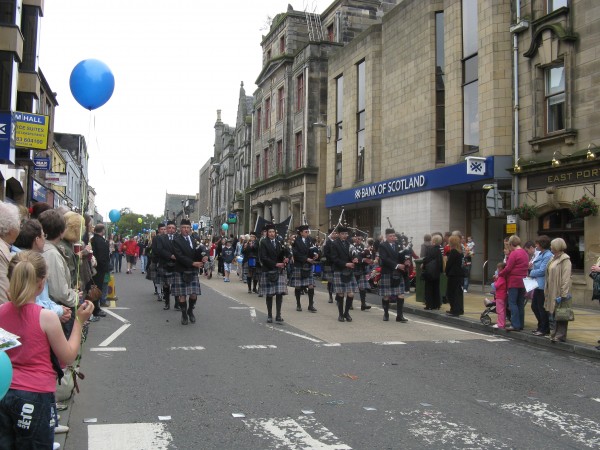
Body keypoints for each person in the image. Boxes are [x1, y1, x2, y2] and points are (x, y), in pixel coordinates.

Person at [0, 251, 93, 449]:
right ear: (42, 283)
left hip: (4, 389)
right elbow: (68, 356)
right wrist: (79, 322)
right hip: (35, 394)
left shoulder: (1, 312)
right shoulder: (47, 317)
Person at [38, 209, 80, 338]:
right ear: (62, 232)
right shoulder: (52, 254)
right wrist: (76, 297)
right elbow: (59, 291)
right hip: (58, 311)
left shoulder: (46, 249)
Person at [171, 219, 208, 325]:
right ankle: (183, 315)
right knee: (182, 295)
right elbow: (179, 256)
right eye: (183, 227)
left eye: (187, 227)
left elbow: (199, 249)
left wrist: (204, 255)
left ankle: (190, 311)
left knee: (193, 294)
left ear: (190, 229)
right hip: (181, 269)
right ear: (180, 229)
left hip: (192, 270)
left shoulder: (193, 239)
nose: (186, 229)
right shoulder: (176, 240)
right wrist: (193, 263)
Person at [258, 224, 290, 323]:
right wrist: (276, 264)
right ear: (267, 233)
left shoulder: (279, 242)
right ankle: (269, 315)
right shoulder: (263, 242)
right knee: (270, 294)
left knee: (279, 294)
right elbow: (264, 257)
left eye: (273, 232)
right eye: (270, 232)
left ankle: (278, 315)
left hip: (279, 270)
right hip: (269, 269)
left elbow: (285, 252)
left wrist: (286, 257)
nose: (272, 234)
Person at [328, 226, 359, 322]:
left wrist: (355, 259)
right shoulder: (334, 244)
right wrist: (345, 264)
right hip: (339, 270)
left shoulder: (349, 243)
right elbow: (334, 258)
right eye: (343, 234)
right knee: (340, 294)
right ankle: (341, 314)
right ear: (339, 234)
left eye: (346, 234)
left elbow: (353, 254)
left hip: (349, 271)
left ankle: (347, 313)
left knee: (350, 294)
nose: (345, 236)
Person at [499, 235, 529, 332]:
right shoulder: (525, 253)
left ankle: (515, 324)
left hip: (514, 281)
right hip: (523, 281)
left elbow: (508, 268)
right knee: (520, 303)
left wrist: (500, 274)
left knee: (512, 303)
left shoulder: (514, 254)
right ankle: (521, 324)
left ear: (511, 244)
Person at [544, 238, 572, 343]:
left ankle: (561, 335)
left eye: (552, 245)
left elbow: (566, 278)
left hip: (560, 291)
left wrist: (563, 293)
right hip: (551, 289)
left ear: (557, 246)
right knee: (553, 312)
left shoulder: (565, 259)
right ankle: (554, 333)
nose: (550, 247)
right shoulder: (553, 258)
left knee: (562, 313)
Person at [378, 228, 408, 322]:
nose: (393, 237)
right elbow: (384, 259)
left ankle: (399, 316)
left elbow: (402, 256)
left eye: (394, 236)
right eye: (390, 236)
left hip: (398, 273)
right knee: (386, 295)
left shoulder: (398, 245)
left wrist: (406, 260)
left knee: (401, 294)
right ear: (386, 236)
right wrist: (397, 265)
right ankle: (386, 313)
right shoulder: (383, 245)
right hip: (387, 272)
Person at [290, 225, 319, 313]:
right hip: (299, 265)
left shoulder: (310, 240)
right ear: (301, 232)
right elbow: (295, 253)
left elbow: (314, 249)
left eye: (308, 231)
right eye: (306, 232)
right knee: (298, 286)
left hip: (308, 266)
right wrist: (306, 259)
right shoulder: (296, 241)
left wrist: (316, 255)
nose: (307, 233)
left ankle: (311, 305)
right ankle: (298, 304)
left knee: (311, 285)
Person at [529, 235, 552, 336]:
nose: (536, 245)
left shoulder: (547, 255)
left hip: (542, 285)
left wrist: (531, 272)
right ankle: (540, 326)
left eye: (537, 243)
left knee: (541, 307)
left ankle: (544, 328)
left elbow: (542, 271)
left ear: (542, 244)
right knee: (535, 306)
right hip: (537, 284)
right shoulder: (541, 254)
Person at [0, 201, 21, 304]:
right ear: (10, 229)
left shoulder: (5, 249)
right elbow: (3, 293)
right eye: (18, 226)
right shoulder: (1, 253)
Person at [155, 221, 177, 310]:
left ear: (175, 229)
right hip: (165, 263)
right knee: (166, 284)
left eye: (173, 228)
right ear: (166, 229)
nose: (171, 229)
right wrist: (170, 256)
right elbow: (160, 250)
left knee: (176, 285)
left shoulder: (178, 238)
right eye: (169, 228)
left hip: (176, 264)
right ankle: (167, 303)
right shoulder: (161, 238)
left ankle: (177, 303)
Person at [90, 223, 110, 318]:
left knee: (93, 287)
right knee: (98, 289)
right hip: (99, 268)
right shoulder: (101, 242)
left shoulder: (92, 239)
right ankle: (96, 309)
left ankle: (94, 307)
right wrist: (106, 267)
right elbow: (102, 257)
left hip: (93, 267)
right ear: (102, 231)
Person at [351, 232, 373, 311]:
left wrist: (369, 259)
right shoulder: (351, 246)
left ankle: (363, 304)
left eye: (359, 239)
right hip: (353, 269)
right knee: (352, 288)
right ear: (354, 238)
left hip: (361, 269)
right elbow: (353, 257)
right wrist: (363, 259)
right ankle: (350, 304)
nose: (358, 240)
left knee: (362, 288)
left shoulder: (364, 247)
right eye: (356, 238)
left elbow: (368, 257)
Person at [421, 234, 443, 310]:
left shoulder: (430, 249)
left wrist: (423, 265)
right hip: (437, 272)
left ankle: (429, 305)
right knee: (436, 288)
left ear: (433, 241)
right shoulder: (440, 250)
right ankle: (437, 304)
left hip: (430, 272)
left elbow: (426, 259)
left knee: (429, 288)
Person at [445, 235, 464, 316]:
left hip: (453, 274)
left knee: (452, 293)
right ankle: (459, 309)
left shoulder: (453, 252)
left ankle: (454, 310)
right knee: (458, 292)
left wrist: (446, 271)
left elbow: (449, 264)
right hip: (459, 274)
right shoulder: (459, 251)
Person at [322, 228, 338, 303]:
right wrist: (333, 258)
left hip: (337, 264)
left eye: (336, 233)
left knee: (338, 280)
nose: (335, 234)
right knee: (330, 280)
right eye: (334, 233)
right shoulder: (327, 243)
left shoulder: (338, 242)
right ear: (330, 234)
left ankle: (338, 295)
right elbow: (326, 253)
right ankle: (330, 296)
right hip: (329, 263)